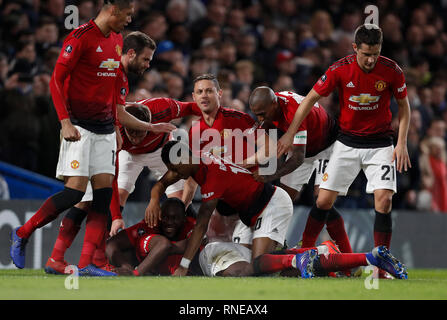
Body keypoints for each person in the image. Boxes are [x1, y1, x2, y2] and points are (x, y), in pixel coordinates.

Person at [10, 1, 173, 275]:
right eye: (128, 14)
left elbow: (109, 89)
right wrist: (64, 122)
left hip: (106, 130)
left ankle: (86, 264)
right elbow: (56, 80)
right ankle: (23, 232)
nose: (130, 19)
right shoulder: (81, 37)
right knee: (75, 192)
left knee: (101, 197)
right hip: (80, 127)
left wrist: (117, 130)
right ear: (112, 10)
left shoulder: (118, 40)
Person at [276, 24, 411, 278]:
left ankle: (381, 266)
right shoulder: (339, 69)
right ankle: (306, 252)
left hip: (380, 144)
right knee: (323, 201)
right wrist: (291, 132)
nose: (371, 59)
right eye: (366, 54)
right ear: (355, 48)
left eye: (376, 53)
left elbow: (404, 107)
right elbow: (309, 99)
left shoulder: (392, 70)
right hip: (346, 143)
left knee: (384, 199)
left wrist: (401, 143)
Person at [146, 140, 293, 277]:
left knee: (258, 269)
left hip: (271, 203)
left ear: (185, 158)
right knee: (249, 265)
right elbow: (162, 183)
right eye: (172, 169)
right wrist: (154, 200)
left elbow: (201, 226)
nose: (176, 174)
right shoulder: (198, 157)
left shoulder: (212, 178)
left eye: (176, 169)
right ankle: (282, 254)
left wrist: (184, 266)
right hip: (251, 213)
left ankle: (298, 257)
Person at [247, 86, 353, 255]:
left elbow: (298, 158)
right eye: (256, 114)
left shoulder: (293, 111)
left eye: (262, 114)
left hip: (328, 146)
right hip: (303, 147)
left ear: (274, 104)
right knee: (282, 199)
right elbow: (268, 141)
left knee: (322, 201)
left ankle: (343, 256)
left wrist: (270, 176)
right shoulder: (270, 108)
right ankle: (276, 250)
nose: (259, 118)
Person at [199, 240, 408, 280]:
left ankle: (301, 256)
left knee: (244, 272)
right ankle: (371, 257)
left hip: (214, 254)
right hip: (234, 249)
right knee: (306, 265)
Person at [106, 197, 197, 276]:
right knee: (162, 244)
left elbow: (197, 241)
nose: (169, 222)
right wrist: (126, 266)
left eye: (175, 218)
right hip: (141, 261)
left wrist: (136, 272)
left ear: (184, 218)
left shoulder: (192, 225)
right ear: (159, 216)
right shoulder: (150, 225)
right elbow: (110, 244)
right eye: (165, 217)